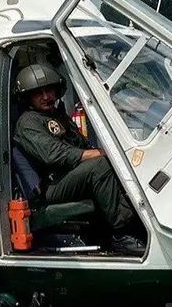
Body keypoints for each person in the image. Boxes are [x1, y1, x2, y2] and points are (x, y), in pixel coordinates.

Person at [12, 62, 146, 255]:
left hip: (71, 177)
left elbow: (81, 144)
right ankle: (121, 234)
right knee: (101, 165)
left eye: (49, 90)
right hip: (52, 185)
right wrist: (96, 154)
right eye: (38, 93)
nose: (46, 97)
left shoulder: (59, 117)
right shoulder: (28, 123)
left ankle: (138, 224)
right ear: (27, 97)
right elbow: (53, 153)